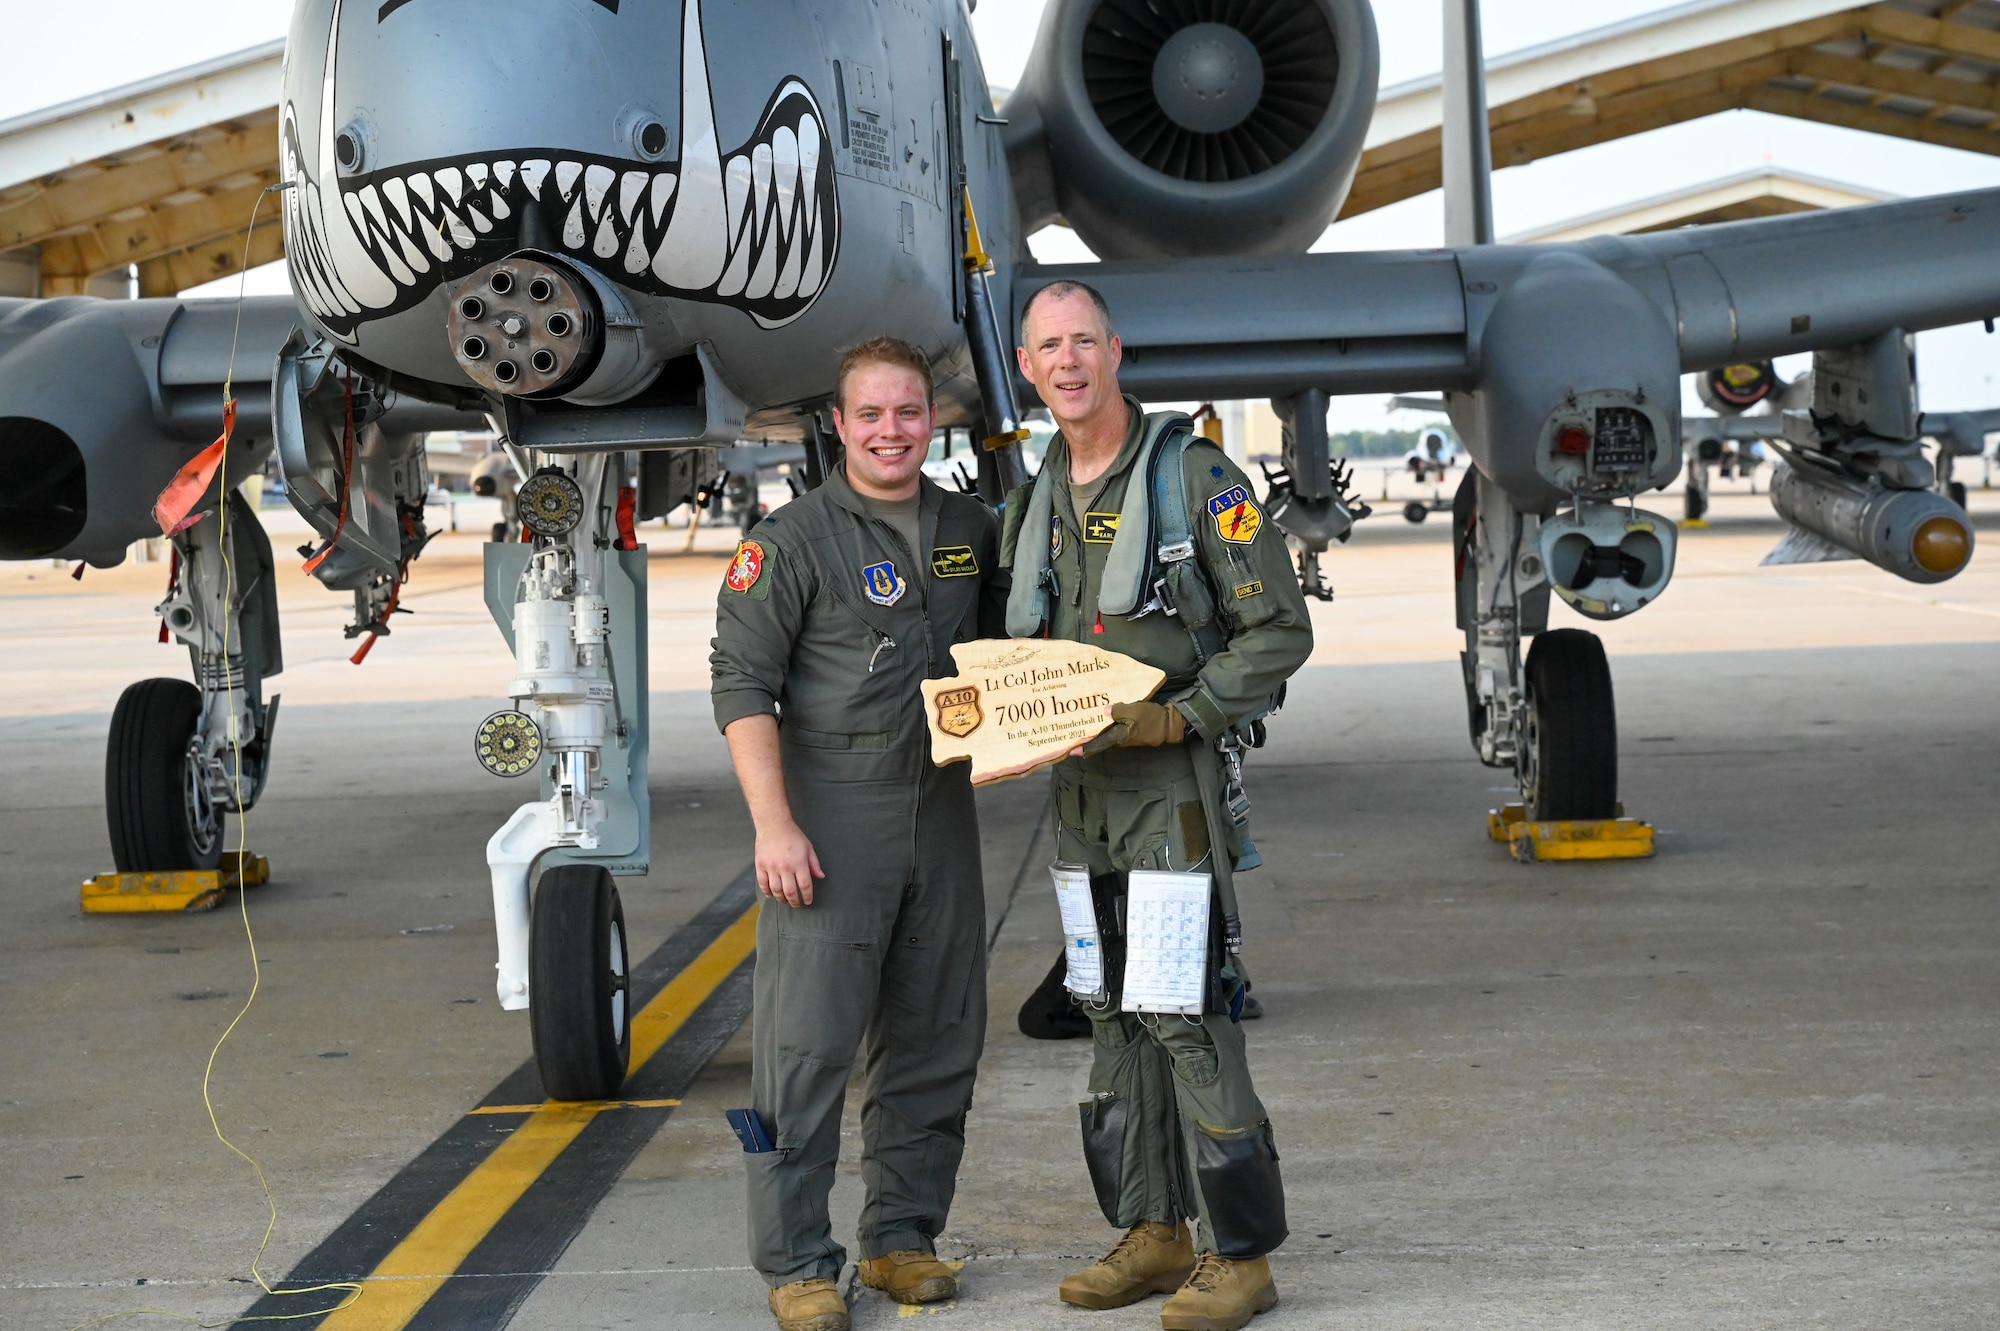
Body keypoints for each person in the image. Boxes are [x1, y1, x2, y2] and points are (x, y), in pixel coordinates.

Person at [1000, 281, 1312, 1331]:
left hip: (1166, 794)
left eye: (1084, 339)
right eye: (1049, 345)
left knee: (1185, 1013)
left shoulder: (1191, 478)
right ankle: (1152, 1228)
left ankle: (1239, 1254)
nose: (1069, 359)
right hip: (1077, 798)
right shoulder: (1036, 487)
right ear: (1028, 365)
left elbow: (1276, 630)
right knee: (1107, 1012)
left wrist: (1179, 717)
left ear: (1115, 351)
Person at [710, 336, 1009, 1331]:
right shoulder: (788, 541)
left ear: (933, 419)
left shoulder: (969, 526)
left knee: (935, 1035)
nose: (891, 431)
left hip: (941, 811)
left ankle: (899, 1238)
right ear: (837, 425)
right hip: (830, 819)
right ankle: (797, 1260)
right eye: (871, 414)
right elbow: (741, 685)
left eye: (909, 412)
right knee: (805, 1049)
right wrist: (773, 825)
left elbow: (1013, 651)